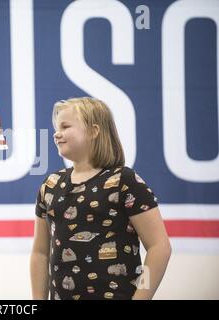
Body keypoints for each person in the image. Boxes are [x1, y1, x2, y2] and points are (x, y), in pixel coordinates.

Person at [30, 97, 171, 300]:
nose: (56, 133)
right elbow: (40, 253)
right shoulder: (51, 185)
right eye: (56, 127)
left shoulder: (123, 180)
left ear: (94, 131)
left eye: (65, 126)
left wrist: (141, 297)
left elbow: (159, 247)